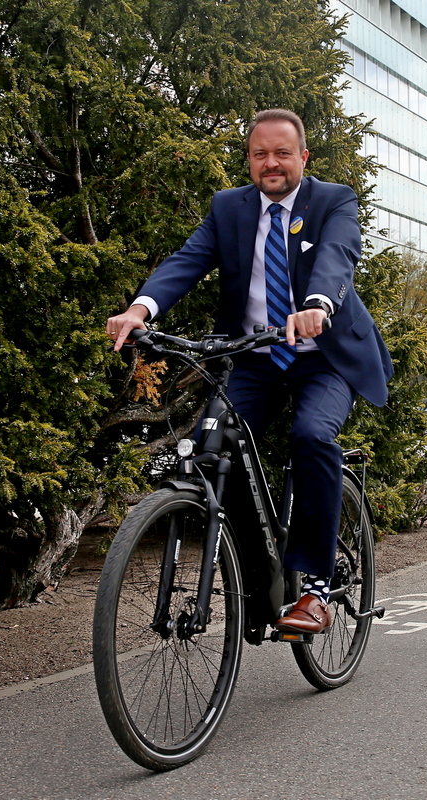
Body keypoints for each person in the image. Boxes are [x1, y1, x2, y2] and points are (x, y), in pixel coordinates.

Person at [106, 109, 393, 635]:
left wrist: (317, 304)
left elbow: (337, 255)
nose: (271, 163)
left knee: (312, 436)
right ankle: (258, 584)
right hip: (256, 358)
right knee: (212, 449)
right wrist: (140, 309)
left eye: (282, 153)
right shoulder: (229, 207)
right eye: (260, 154)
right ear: (249, 160)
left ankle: (316, 588)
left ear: (303, 156)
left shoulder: (333, 201)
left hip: (323, 358)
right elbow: (188, 260)